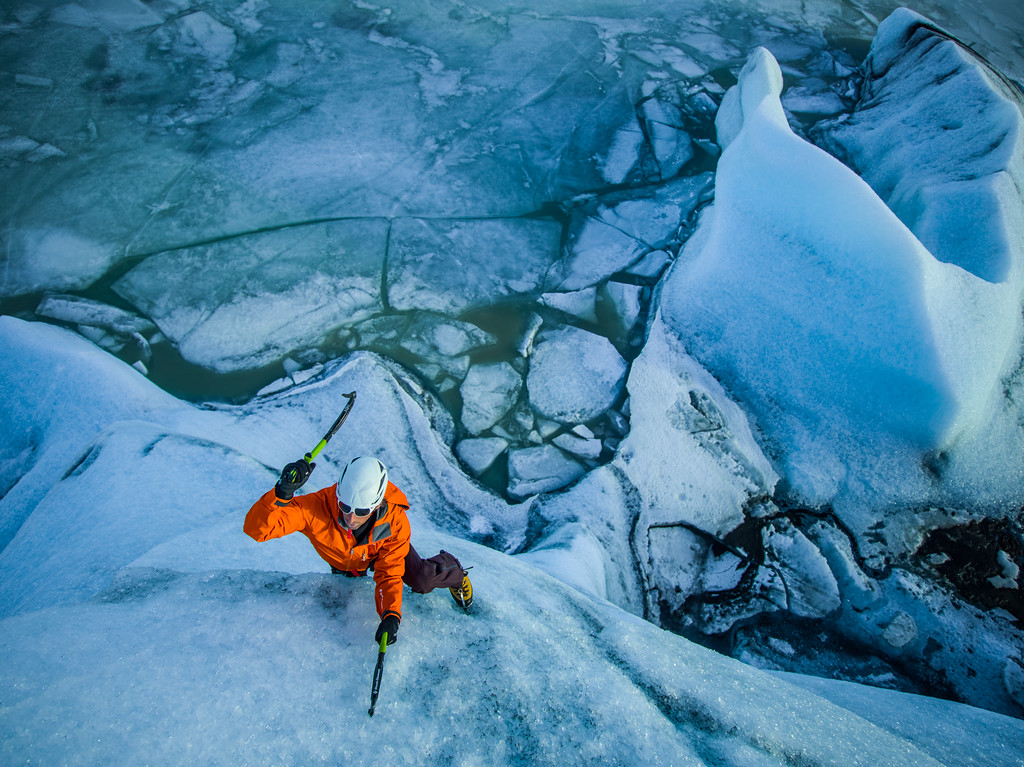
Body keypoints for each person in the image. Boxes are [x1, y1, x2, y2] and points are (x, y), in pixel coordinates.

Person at [244, 455, 472, 646]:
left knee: (421, 578)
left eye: (362, 511)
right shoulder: (316, 508)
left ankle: (455, 573)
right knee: (344, 598)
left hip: (381, 548)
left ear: (376, 503)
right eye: (344, 507)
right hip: (347, 561)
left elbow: (390, 572)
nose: (351, 518)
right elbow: (257, 530)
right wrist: (281, 495)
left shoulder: (394, 521)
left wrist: (390, 614)